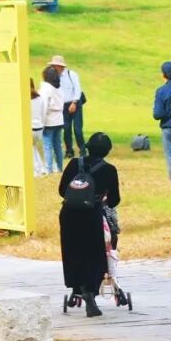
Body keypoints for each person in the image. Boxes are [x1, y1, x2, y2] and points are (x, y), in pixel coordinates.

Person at [59, 132, 120, 317]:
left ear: (87, 146)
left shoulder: (73, 164)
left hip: (68, 214)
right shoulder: (109, 169)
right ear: (108, 151)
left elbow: (62, 190)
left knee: (72, 251)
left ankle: (77, 287)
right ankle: (90, 293)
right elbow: (114, 200)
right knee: (94, 254)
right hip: (92, 215)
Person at [51, 54, 85, 157]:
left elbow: (77, 89)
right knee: (66, 129)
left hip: (75, 103)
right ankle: (69, 150)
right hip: (63, 105)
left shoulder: (71, 74)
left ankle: (83, 150)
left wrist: (74, 102)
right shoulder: (54, 77)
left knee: (77, 129)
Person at [38, 64, 65, 172]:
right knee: (58, 145)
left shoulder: (45, 88)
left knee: (48, 145)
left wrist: (42, 122)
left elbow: (44, 107)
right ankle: (59, 167)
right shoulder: (58, 88)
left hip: (49, 120)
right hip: (59, 120)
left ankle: (49, 168)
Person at [152, 60, 171, 181]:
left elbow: (158, 114)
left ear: (164, 75)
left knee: (169, 154)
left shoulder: (161, 91)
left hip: (168, 127)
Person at [31, 78, 48, 177]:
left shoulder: (25, 99)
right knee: (36, 148)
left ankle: (36, 170)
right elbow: (43, 113)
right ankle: (42, 168)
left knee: (31, 150)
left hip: (31, 128)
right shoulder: (40, 98)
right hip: (39, 128)